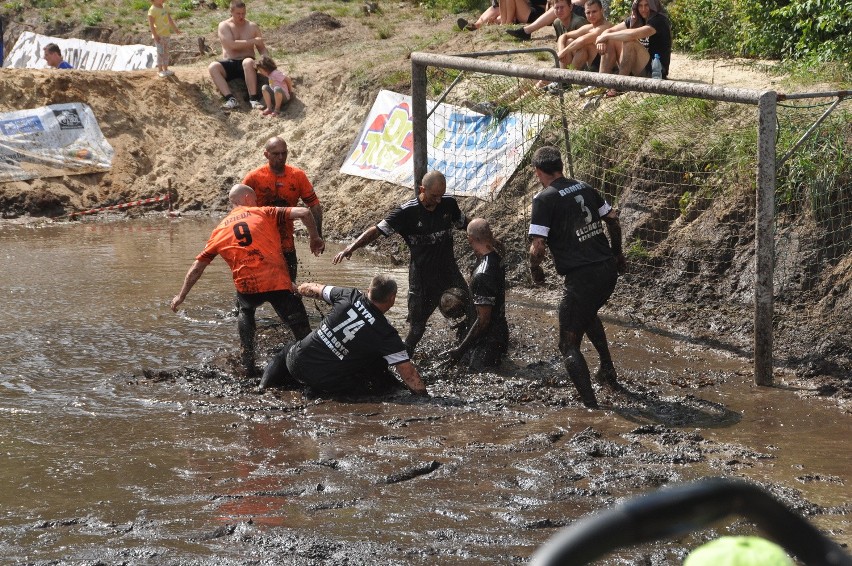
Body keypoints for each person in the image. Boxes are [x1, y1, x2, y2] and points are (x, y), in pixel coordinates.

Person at [170, 184, 324, 376]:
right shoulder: (263, 212)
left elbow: (197, 267)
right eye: (255, 199)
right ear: (247, 199)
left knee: (245, 310)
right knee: (302, 332)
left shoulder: (219, 230)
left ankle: (248, 363)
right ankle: (314, 364)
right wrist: (315, 238)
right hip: (276, 282)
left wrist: (181, 295)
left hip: (247, 286)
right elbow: (304, 212)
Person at [333, 170, 473, 355]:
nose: (438, 200)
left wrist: (488, 240)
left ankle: (465, 350)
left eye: (441, 195)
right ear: (422, 189)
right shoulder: (406, 212)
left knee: (471, 311)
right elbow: (376, 230)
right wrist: (351, 247)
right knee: (417, 329)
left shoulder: (448, 204)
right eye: (434, 196)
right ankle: (402, 361)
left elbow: (468, 225)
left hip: (449, 271)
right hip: (422, 278)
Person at [527, 146, 625, 408]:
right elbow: (613, 221)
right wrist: (618, 255)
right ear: (560, 166)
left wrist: (535, 269)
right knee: (587, 313)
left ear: (538, 172)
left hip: (583, 278)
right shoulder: (584, 186)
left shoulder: (543, 200)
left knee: (567, 344)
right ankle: (607, 370)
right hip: (607, 271)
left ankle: (591, 406)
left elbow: (538, 247)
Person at [258, 275, 429, 397]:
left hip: (295, 363)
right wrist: (425, 398)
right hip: (325, 382)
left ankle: (262, 387)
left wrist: (298, 290)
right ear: (392, 298)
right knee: (376, 364)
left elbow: (313, 289)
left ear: (368, 290)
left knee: (289, 348)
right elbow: (409, 375)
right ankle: (316, 390)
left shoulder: (349, 295)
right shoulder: (387, 334)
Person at [241, 136, 322, 282]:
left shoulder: (297, 176)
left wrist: (317, 236)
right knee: (253, 290)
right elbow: (240, 209)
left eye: (284, 153)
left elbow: (314, 205)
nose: (281, 157)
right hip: (259, 242)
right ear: (266, 154)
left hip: (286, 243)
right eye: (276, 154)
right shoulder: (253, 177)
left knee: (289, 288)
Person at [443, 219, 509, 371]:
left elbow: (483, 321)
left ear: (470, 239)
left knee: (476, 373)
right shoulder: (497, 258)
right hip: (500, 333)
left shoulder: (482, 275)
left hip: (487, 342)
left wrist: (459, 351)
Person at [595, 0, 671, 95]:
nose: (643, 9)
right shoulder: (636, 18)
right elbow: (610, 30)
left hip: (655, 71)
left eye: (647, 5)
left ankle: (619, 86)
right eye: (640, 6)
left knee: (630, 42)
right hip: (638, 65)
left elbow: (632, 34)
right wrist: (601, 39)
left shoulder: (659, 20)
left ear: (653, 6)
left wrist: (605, 36)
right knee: (611, 40)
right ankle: (600, 83)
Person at [208, 0, 268, 110]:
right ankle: (230, 99)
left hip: (247, 63)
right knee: (213, 66)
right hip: (230, 62)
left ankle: (253, 99)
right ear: (231, 12)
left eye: (243, 13)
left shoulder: (252, 26)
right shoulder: (224, 25)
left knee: (248, 61)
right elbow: (231, 45)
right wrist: (253, 40)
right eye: (238, 13)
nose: (241, 16)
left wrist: (266, 61)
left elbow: (262, 48)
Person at [555, 0, 612, 71]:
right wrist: (561, 50)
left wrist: (563, 52)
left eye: (594, 12)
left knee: (584, 46)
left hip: (606, 64)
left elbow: (583, 40)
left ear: (602, 11)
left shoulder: (605, 26)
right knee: (569, 41)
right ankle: (564, 76)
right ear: (585, 13)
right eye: (588, 12)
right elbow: (563, 36)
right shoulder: (588, 27)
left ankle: (568, 76)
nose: (591, 15)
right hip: (592, 61)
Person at [505, 0, 587, 40]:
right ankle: (526, 31)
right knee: (559, 6)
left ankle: (527, 31)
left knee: (560, 5)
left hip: (587, 11)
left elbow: (581, 1)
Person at [148, 0, 180, 78]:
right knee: (160, 53)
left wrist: (175, 29)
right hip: (159, 35)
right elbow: (151, 25)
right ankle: (160, 70)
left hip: (166, 34)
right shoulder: (152, 10)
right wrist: (155, 35)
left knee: (166, 52)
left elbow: (169, 19)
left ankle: (166, 69)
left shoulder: (165, 6)